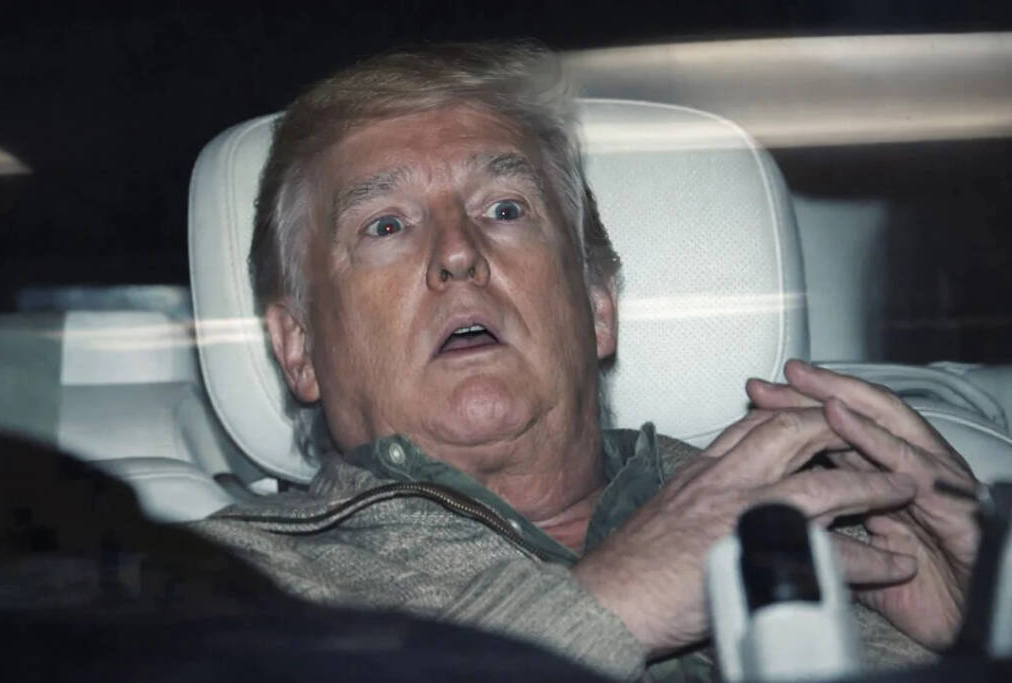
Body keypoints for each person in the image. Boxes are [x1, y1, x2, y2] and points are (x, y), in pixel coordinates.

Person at [192, 42, 982, 681]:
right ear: (299, 348)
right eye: (386, 225)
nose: (458, 253)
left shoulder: (843, 524)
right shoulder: (221, 586)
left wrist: (987, 617)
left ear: (598, 306)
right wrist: (610, 603)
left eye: (505, 209)